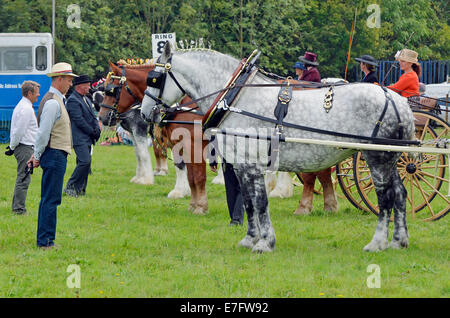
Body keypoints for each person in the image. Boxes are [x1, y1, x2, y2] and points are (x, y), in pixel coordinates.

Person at [27, 62, 78, 250]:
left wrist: (38, 154)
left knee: (50, 198)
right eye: (69, 79)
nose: (71, 83)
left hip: (55, 153)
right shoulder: (52, 103)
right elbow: (42, 133)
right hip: (54, 153)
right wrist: (37, 155)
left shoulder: (56, 101)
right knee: (51, 199)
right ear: (59, 79)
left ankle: (46, 239)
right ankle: (45, 241)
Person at [7, 81, 40, 215]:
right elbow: (19, 131)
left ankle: (17, 206)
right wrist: (12, 146)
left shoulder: (24, 106)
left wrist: (12, 147)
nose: (38, 95)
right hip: (25, 147)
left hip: (24, 146)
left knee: (23, 177)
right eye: (36, 92)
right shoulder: (26, 109)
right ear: (29, 93)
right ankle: (19, 209)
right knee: (23, 178)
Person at [64, 74, 101, 197]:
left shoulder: (87, 99)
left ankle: (80, 189)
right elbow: (78, 120)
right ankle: (70, 186)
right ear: (80, 86)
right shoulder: (73, 100)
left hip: (88, 137)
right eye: (88, 85)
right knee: (84, 162)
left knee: (86, 163)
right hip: (79, 137)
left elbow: (93, 116)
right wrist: (92, 131)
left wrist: (97, 129)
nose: (89, 87)